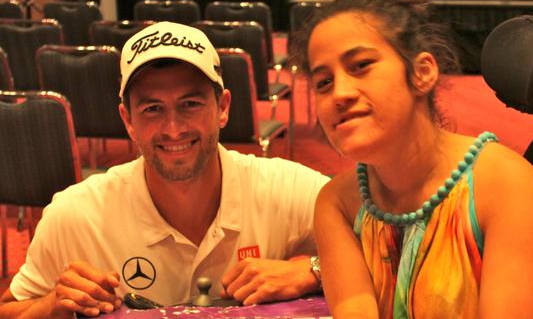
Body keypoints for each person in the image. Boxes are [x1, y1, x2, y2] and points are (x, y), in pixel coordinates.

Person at [0, 21, 330, 318]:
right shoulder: (75, 216)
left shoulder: (291, 190)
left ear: (223, 107)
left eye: (190, 104)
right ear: (127, 120)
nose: (173, 129)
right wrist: (51, 306)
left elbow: (380, 253)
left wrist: (314, 270)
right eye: (152, 108)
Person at [294, 0, 533, 318]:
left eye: (360, 65)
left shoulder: (504, 184)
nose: (339, 93)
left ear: (422, 72)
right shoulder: (337, 203)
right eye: (323, 83)